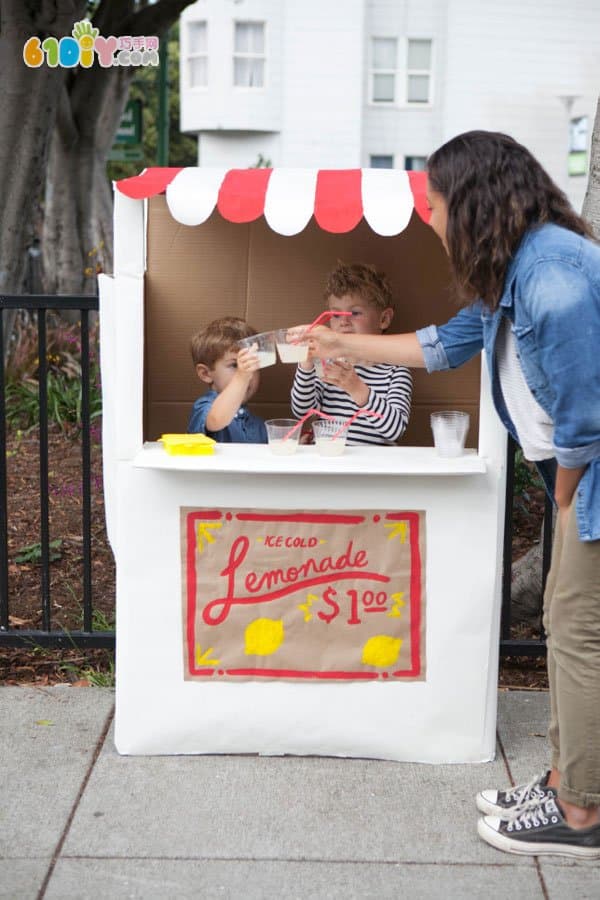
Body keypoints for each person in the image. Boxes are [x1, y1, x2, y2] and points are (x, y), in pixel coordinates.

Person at [296, 131, 600, 859]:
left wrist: (562, 501)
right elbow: (441, 344)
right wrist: (341, 345)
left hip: (587, 477)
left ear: (471, 204)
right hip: (578, 477)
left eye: (433, 205)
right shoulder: (518, 271)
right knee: (566, 629)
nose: (429, 221)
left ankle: (580, 814)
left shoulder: (552, 280)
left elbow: (585, 423)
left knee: (578, 632)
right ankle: (568, 779)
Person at [290, 262, 412, 445]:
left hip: (370, 468)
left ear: (384, 319)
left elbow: (394, 431)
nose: (344, 322)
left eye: (354, 313)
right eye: (336, 315)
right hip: (327, 461)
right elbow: (301, 411)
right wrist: (305, 365)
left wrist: (356, 387)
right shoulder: (326, 364)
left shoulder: (396, 372)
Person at [188, 316, 267, 443]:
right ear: (206, 373)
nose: (249, 373)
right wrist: (241, 377)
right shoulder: (204, 407)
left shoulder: (260, 426)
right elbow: (216, 420)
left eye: (253, 365)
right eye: (235, 365)